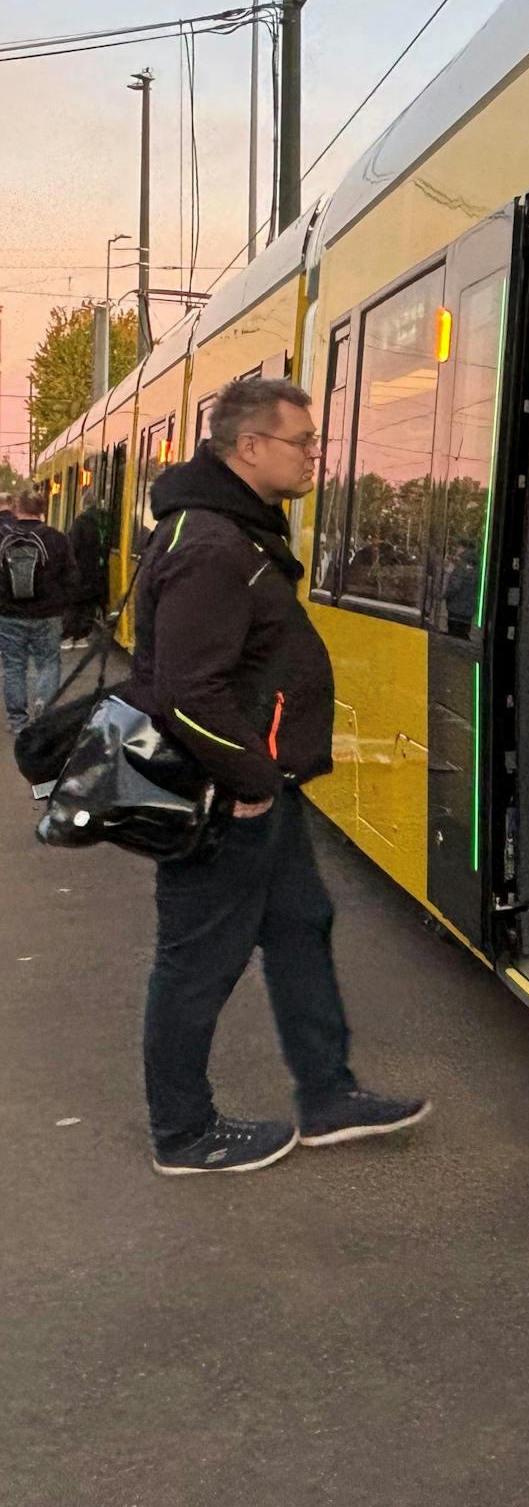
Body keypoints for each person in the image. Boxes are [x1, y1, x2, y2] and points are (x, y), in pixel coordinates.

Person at [126, 377, 429, 1175]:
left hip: (259, 792)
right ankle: (183, 1134)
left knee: (301, 925)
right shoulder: (211, 546)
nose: (314, 456)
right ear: (250, 446)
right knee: (196, 960)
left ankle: (327, 1096)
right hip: (224, 797)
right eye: (302, 442)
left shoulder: (233, 532)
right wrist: (253, 780)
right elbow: (187, 689)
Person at [0, 490, 78, 731]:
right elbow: (72, 578)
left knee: (14, 666)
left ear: (16, 508)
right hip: (48, 615)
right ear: (42, 510)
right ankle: (44, 715)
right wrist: (64, 606)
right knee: (48, 663)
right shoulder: (57, 538)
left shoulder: (3, 538)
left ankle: (17, 721)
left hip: (9, 614)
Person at [66, 490, 111, 642]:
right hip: (100, 571)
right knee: (90, 605)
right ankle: (85, 631)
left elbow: (72, 547)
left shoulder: (81, 522)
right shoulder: (105, 520)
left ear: (83, 504)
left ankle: (76, 635)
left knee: (77, 604)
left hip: (83, 571)